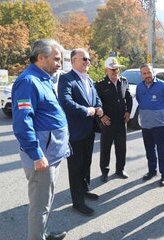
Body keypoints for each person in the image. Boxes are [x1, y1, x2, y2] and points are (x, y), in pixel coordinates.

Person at [12, 39, 70, 240]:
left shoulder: (44, 78)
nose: (59, 64)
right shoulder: (28, 81)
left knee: (47, 200)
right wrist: (36, 155)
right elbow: (22, 123)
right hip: (42, 158)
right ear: (41, 57)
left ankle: (42, 233)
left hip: (52, 153)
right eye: (56, 59)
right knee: (39, 206)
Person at [58, 48, 103, 216]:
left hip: (89, 130)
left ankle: (84, 190)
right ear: (74, 60)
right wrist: (88, 110)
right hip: (75, 131)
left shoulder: (88, 79)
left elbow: (96, 98)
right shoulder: (66, 78)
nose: (88, 61)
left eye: (89, 59)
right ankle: (77, 202)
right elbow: (66, 102)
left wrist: (98, 108)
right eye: (84, 59)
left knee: (86, 164)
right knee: (76, 167)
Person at [95, 56, 133, 182]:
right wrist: (101, 116)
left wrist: (128, 112)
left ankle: (120, 170)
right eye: (112, 69)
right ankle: (104, 172)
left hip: (121, 121)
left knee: (121, 147)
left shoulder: (123, 81)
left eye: (117, 69)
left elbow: (129, 98)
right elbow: (96, 102)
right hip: (108, 122)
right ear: (106, 70)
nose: (115, 71)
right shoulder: (100, 85)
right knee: (105, 148)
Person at [136, 63, 164, 186]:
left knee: (162, 151)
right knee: (149, 150)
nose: (147, 75)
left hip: (160, 125)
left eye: (149, 72)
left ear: (153, 72)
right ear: (141, 75)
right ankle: (152, 171)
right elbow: (140, 101)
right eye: (144, 73)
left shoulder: (162, 86)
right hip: (145, 125)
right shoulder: (139, 87)